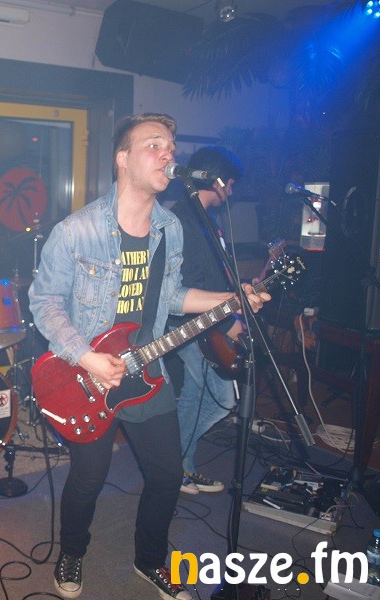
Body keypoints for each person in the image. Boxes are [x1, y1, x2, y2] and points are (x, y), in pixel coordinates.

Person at [28, 114, 270, 600]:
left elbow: (172, 295)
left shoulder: (170, 228)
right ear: (122, 158)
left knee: (167, 475)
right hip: (89, 376)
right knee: (88, 478)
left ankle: (149, 558)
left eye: (171, 146)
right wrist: (87, 357)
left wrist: (232, 300)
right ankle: (72, 551)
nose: (168, 153)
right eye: (154, 144)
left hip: (148, 371)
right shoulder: (76, 230)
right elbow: (44, 303)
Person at [164, 146, 244, 495]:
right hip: (189, 324)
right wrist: (228, 324)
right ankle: (173, 465)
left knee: (202, 395)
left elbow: (214, 277)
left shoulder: (205, 219)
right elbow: (189, 282)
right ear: (217, 180)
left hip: (209, 320)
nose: (232, 192)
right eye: (231, 184)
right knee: (219, 398)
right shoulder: (183, 221)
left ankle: (182, 465)